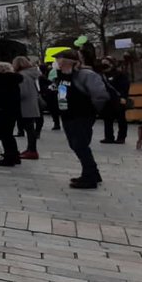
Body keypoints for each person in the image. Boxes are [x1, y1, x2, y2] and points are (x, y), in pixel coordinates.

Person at [53, 50, 110, 189]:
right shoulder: (62, 76)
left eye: (58, 60)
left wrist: (92, 110)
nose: (56, 63)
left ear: (67, 61)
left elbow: (100, 94)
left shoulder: (86, 75)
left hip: (81, 114)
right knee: (75, 145)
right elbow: (62, 94)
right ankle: (92, 172)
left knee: (80, 145)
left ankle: (90, 177)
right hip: (68, 115)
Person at [0, 62, 23, 167]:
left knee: (4, 134)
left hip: (0, 110)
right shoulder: (15, 80)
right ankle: (14, 155)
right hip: (12, 110)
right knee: (9, 134)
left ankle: (9, 157)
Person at [14, 56, 44, 159]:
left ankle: (32, 150)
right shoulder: (31, 73)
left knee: (29, 129)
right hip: (31, 103)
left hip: (25, 105)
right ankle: (30, 148)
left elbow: (23, 92)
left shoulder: (23, 76)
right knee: (30, 128)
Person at [99, 57, 130, 145]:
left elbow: (125, 86)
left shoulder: (119, 74)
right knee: (107, 119)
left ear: (112, 64)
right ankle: (108, 137)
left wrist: (124, 97)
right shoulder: (101, 75)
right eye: (102, 63)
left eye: (106, 63)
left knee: (121, 119)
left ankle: (121, 137)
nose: (104, 65)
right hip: (107, 100)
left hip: (118, 99)